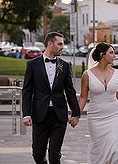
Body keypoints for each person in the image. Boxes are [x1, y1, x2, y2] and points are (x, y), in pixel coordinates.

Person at [22, 32, 80, 164]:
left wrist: (76, 114)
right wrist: (26, 114)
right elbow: (27, 91)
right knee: (38, 154)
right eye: (60, 44)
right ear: (50, 44)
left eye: (63, 44)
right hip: (39, 115)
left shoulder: (65, 66)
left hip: (59, 115)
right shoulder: (32, 65)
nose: (62, 47)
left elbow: (70, 91)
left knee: (55, 154)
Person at [78, 42, 118, 163]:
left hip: (115, 115)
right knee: (98, 151)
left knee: (115, 151)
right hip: (95, 117)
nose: (114, 56)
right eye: (111, 53)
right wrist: (76, 115)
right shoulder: (87, 74)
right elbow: (83, 97)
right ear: (102, 55)